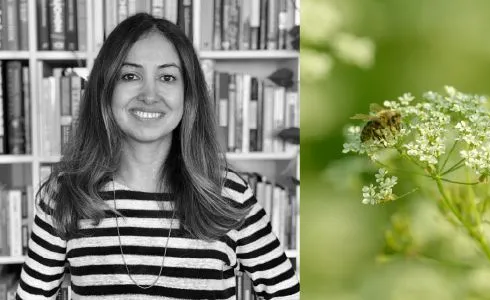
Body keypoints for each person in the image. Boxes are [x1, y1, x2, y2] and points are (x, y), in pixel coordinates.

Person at [15, 13, 299, 299]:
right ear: (106, 89)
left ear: (188, 94)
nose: (150, 95)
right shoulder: (65, 193)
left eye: (167, 77)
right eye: (130, 76)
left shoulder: (226, 193)